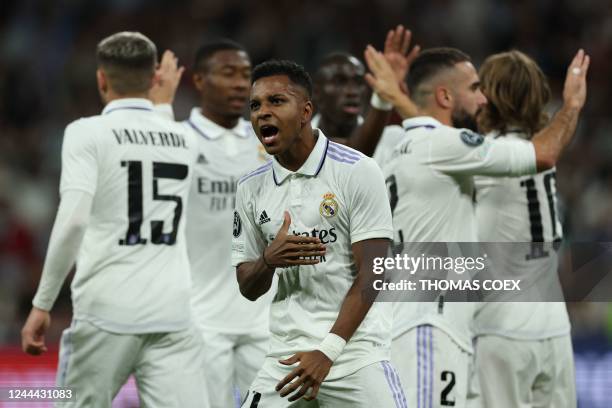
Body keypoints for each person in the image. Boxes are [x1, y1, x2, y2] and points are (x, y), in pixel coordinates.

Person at [363, 45, 588, 407]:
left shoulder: (430, 148)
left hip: (484, 327)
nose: (480, 97)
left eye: (483, 88)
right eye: (473, 87)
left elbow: (434, 137)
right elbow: (542, 152)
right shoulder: (469, 152)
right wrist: (572, 107)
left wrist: (393, 99)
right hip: (536, 324)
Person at [20, 32, 207, 407]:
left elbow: (73, 221)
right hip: (173, 313)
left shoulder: (85, 132)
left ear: (101, 79)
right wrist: (164, 106)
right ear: (155, 79)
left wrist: (42, 304)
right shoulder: (186, 140)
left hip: (107, 313)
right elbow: (156, 141)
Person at [233, 60, 405, 407]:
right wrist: (269, 259)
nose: (263, 113)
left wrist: (327, 352)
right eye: (255, 105)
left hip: (354, 355)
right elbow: (248, 287)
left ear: (305, 111)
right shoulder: (250, 188)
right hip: (285, 358)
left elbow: (374, 274)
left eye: (276, 101)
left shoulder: (357, 170)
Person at [153, 39, 272, 408]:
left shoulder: (268, 143)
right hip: (201, 319)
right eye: (228, 73)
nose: (241, 84)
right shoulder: (180, 139)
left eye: (246, 75)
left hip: (264, 317)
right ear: (200, 80)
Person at [470, 50, 588, 408]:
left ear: (489, 97)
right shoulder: (540, 157)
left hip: (502, 331)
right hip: (554, 331)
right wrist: (572, 106)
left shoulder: (485, 157)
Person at [313, 25, 419, 157]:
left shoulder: (393, 140)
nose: (352, 92)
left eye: (358, 82)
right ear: (316, 93)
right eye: (340, 82)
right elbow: (350, 156)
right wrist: (382, 99)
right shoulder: (295, 140)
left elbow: (438, 138)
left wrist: (391, 94)